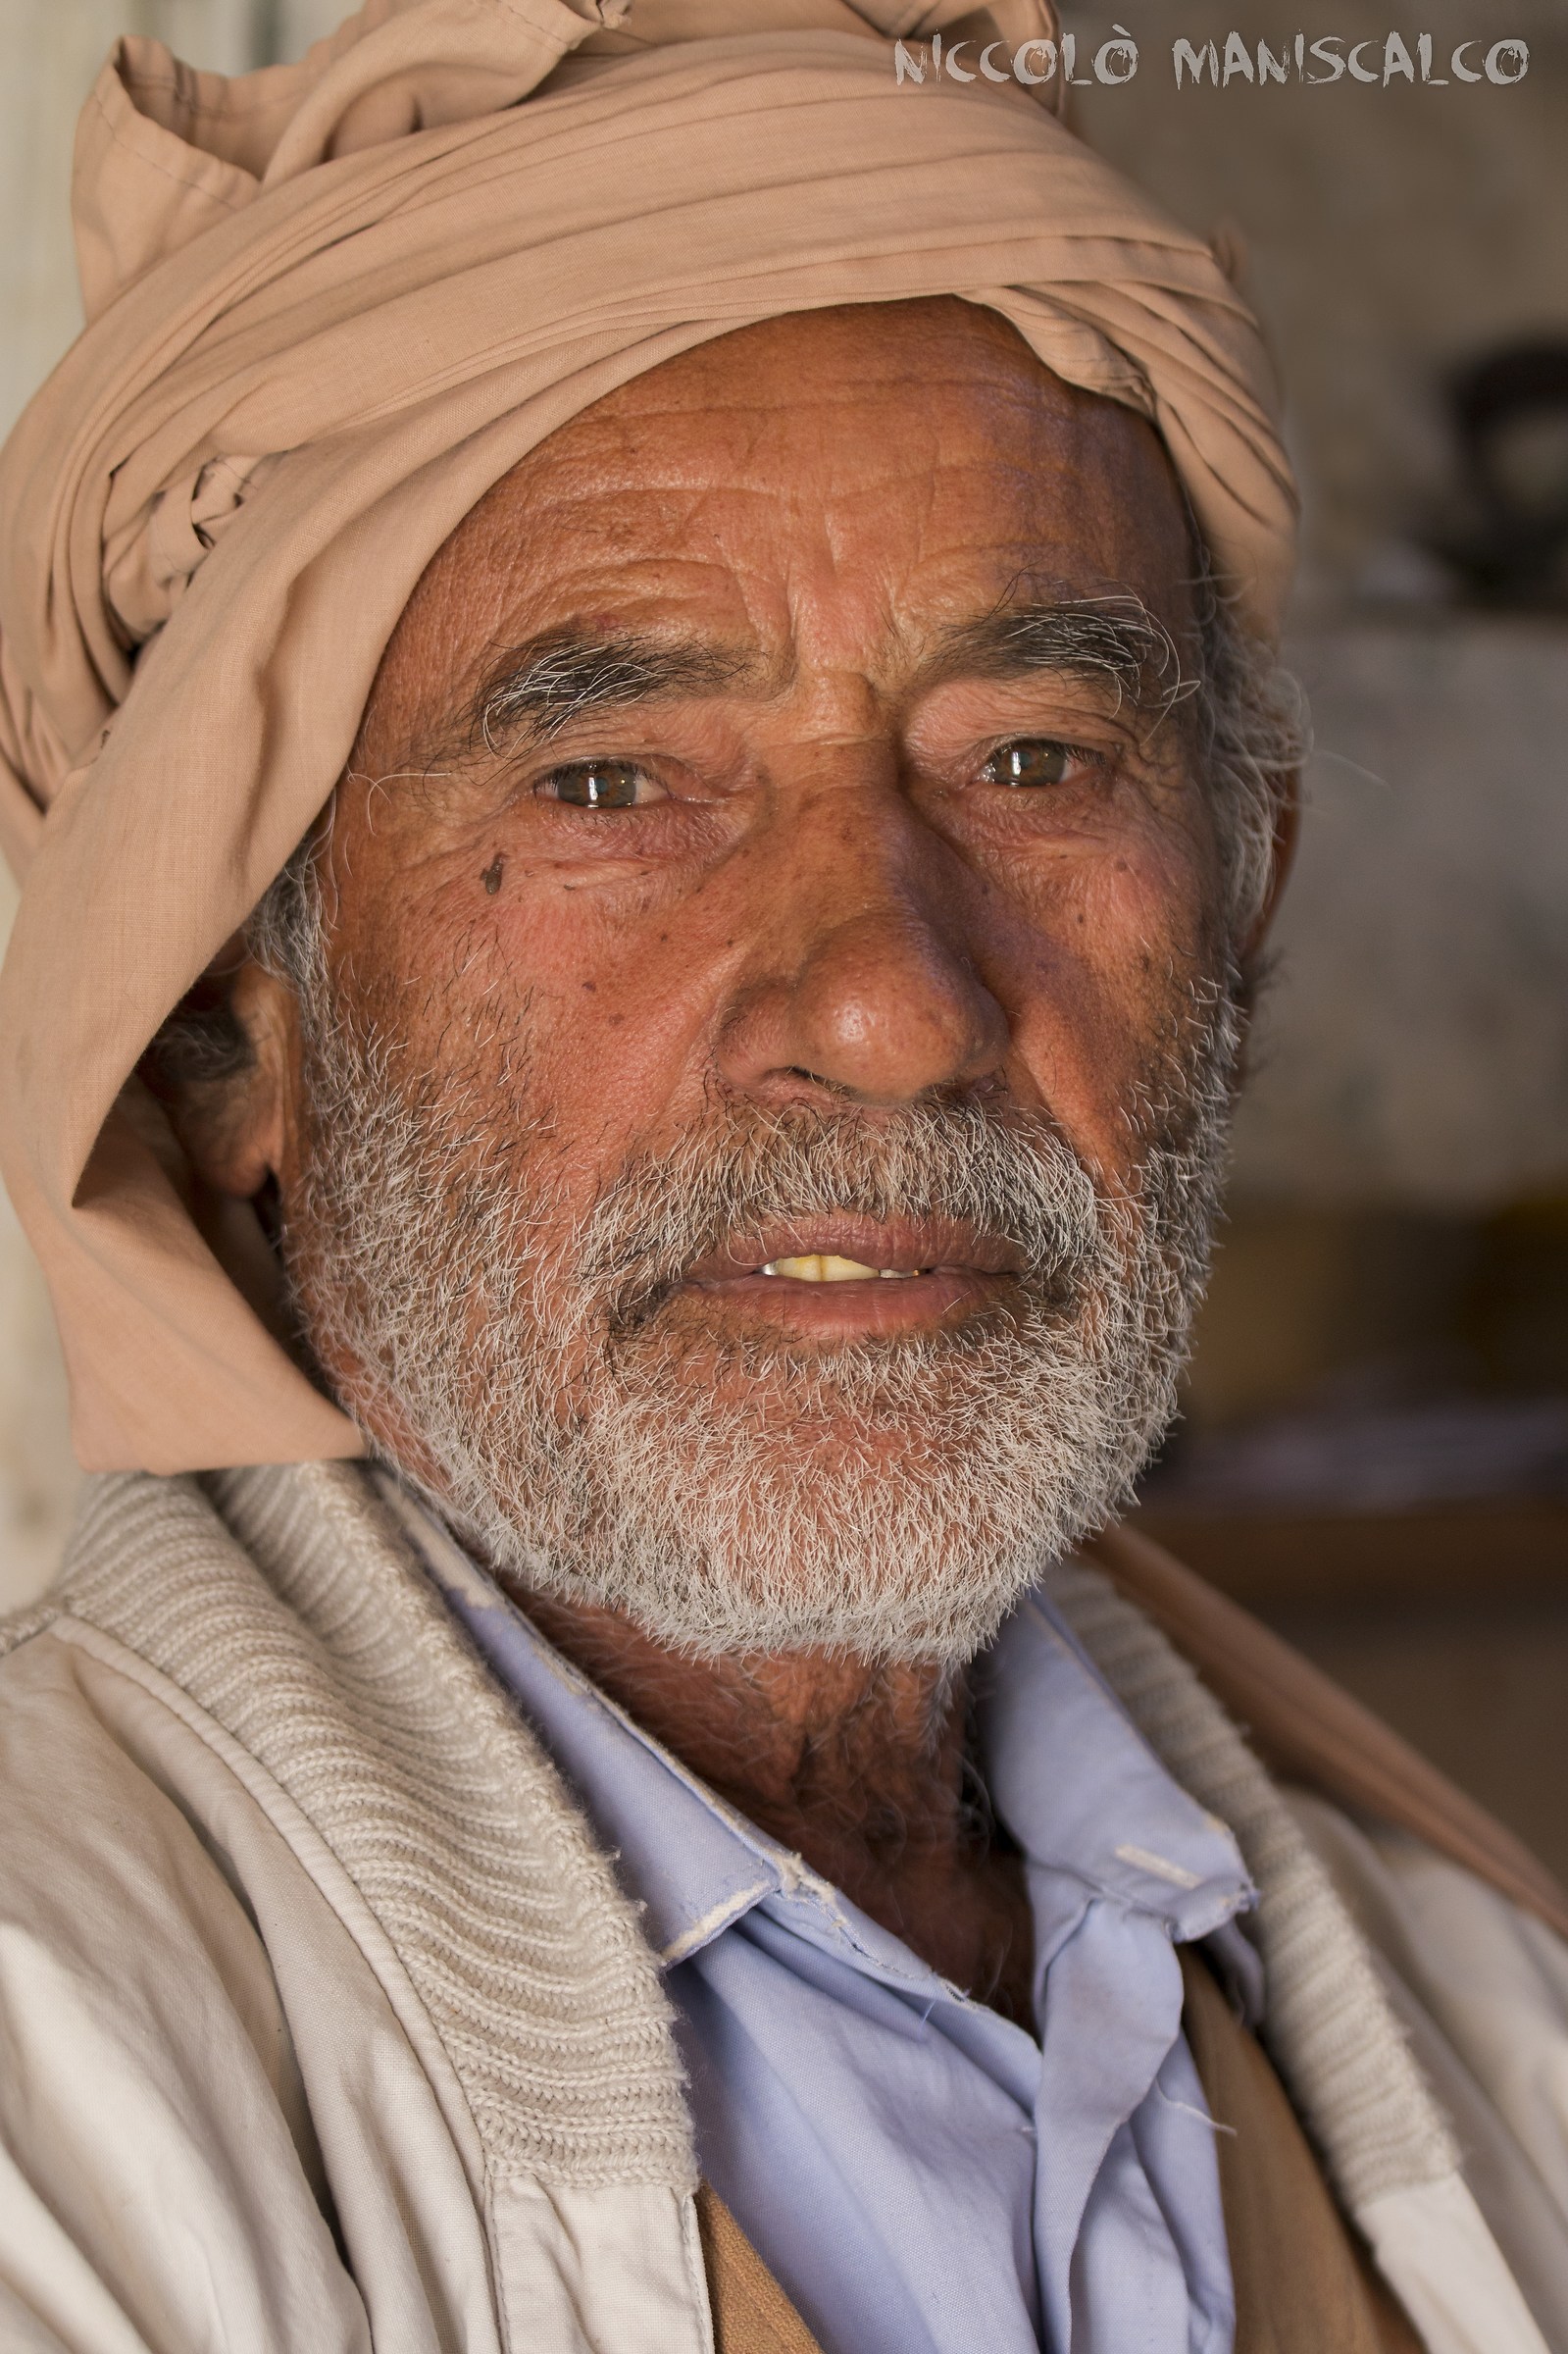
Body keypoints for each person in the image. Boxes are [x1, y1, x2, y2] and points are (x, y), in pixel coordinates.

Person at [0, 4, 1563, 2349]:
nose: (885, 1004)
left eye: (1031, 755)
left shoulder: (1481, 2009)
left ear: (1232, 921)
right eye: (618, 784)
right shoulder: (56, 2070)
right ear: (243, 1024)